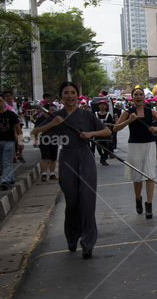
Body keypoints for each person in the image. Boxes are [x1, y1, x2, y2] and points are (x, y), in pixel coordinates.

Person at [31, 82, 111, 258]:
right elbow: (35, 132)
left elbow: (107, 132)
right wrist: (52, 124)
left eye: (73, 92)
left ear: (77, 95)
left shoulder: (86, 115)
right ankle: (72, 237)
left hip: (85, 158)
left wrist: (90, 135)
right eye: (66, 93)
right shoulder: (55, 115)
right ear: (61, 97)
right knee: (72, 201)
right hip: (67, 158)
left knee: (87, 201)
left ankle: (88, 243)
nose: (70, 95)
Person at [113, 87, 157, 219]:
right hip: (134, 146)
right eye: (136, 95)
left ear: (144, 97)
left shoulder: (151, 111)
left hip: (149, 145)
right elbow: (115, 128)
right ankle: (138, 198)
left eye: (140, 94)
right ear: (132, 97)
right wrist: (129, 121)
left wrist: (155, 128)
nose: (138, 97)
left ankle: (149, 205)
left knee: (150, 176)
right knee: (137, 177)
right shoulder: (128, 112)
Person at [94, 100, 115, 165]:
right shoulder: (95, 114)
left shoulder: (108, 115)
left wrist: (110, 125)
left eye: (104, 105)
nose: (102, 106)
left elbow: (112, 123)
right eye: (101, 104)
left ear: (106, 106)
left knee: (107, 147)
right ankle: (102, 156)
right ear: (98, 106)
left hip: (106, 133)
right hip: (98, 133)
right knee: (98, 146)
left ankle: (103, 159)